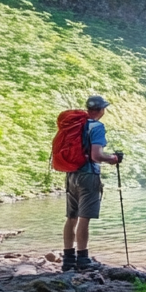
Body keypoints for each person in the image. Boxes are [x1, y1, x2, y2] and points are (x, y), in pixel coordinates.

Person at [62, 94, 122, 272]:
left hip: (71, 173)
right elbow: (96, 156)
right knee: (84, 218)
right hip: (88, 175)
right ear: (102, 110)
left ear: (88, 109)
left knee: (71, 217)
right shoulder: (97, 127)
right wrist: (113, 158)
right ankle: (83, 259)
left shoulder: (75, 125)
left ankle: (68, 259)